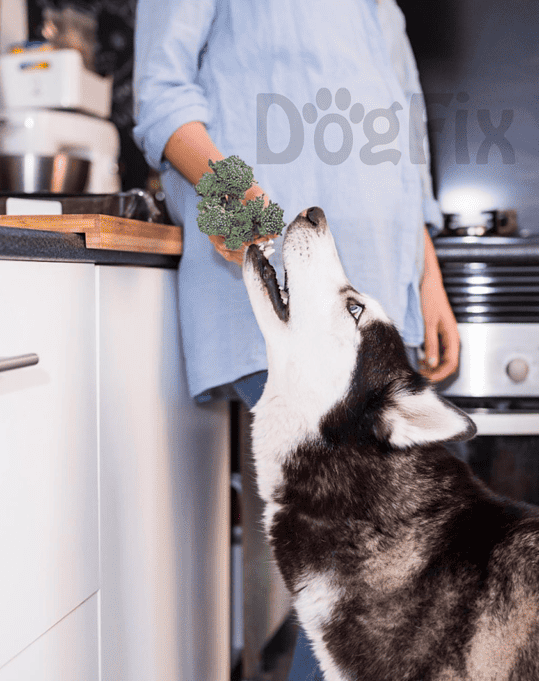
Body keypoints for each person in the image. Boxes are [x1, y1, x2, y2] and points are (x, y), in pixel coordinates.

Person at [133, 0, 459, 678]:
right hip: (285, 291)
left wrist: (426, 279)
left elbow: (404, 136)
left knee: (381, 567)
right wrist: (232, 190)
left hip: (375, 297)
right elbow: (160, 94)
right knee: (357, 568)